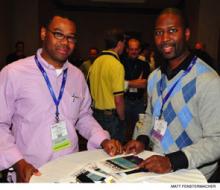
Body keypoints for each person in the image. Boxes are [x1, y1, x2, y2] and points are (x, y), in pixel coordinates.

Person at [0, 15, 123, 183]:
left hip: (68, 170)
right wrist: (17, 162)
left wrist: (103, 139)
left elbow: (83, 116)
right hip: (30, 171)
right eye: (58, 34)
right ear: (43, 33)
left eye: (71, 37)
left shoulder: (77, 76)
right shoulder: (14, 73)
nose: (65, 42)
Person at [124, 8, 220, 181]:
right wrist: (143, 140)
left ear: (187, 34)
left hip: (192, 175)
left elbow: (216, 141)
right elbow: (150, 115)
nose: (165, 38)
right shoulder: (154, 77)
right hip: (155, 166)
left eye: (172, 31)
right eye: (159, 32)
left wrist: (172, 161)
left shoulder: (209, 80)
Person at [88, 28, 126, 143]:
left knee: (98, 151)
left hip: (95, 115)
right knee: (115, 154)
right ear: (119, 43)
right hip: (111, 118)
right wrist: (123, 119)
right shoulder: (116, 65)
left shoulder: (95, 63)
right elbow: (118, 100)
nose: (124, 46)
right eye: (124, 43)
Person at [121, 38, 150, 142]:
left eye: (136, 49)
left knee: (140, 130)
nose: (134, 51)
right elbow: (118, 84)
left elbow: (144, 84)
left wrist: (127, 83)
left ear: (140, 50)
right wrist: (136, 82)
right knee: (124, 132)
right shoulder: (120, 64)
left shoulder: (145, 65)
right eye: (131, 49)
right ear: (127, 50)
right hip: (125, 101)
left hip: (139, 102)